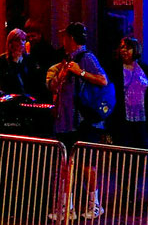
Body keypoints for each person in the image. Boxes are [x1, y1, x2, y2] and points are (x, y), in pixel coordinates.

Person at [49, 23, 107, 221]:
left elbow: (102, 80)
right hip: (66, 121)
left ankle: (95, 205)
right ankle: (68, 207)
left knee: (85, 164)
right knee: (68, 164)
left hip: (81, 121)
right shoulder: (68, 59)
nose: (63, 40)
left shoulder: (86, 57)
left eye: (65, 36)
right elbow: (55, 87)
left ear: (71, 38)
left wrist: (80, 72)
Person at [111, 36, 148, 149]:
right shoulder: (115, 68)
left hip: (142, 117)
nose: (124, 50)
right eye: (122, 47)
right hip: (122, 118)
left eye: (128, 48)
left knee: (142, 149)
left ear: (136, 50)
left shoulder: (144, 68)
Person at [0, 28, 35, 96]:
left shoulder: (29, 59)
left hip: (28, 97)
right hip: (11, 97)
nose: (21, 43)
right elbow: (5, 83)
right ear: (10, 43)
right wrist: (15, 62)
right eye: (17, 40)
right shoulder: (2, 60)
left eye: (23, 40)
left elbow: (31, 81)